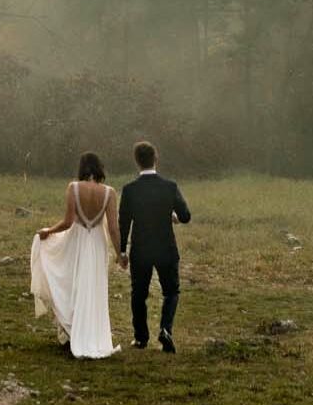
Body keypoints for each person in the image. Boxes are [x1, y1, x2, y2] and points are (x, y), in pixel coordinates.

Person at [29, 152, 121, 358]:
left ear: (82, 168)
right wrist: (120, 254)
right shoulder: (109, 193)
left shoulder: (73, 188)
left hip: (77, 239)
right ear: (100, 169)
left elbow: (68, 222)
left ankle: (71, 329)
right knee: (94, 286)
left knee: (72, 282)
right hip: (97, 243)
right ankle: (92, 334)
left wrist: (48, 231)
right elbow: (114, 228)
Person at [117, 140, 192, 352]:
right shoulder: (170, 187)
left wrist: (122, 251)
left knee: (138, 294)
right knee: (171, 291)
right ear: (155, 159)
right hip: (166, 248)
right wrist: (174, 216)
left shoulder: (130, 190)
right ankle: (165, 329)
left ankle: (141, 337)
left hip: (141, 249)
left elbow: (123, 223)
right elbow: (186, 216)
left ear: (136, 162)